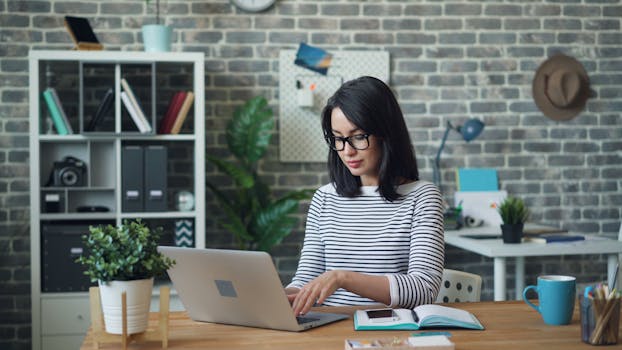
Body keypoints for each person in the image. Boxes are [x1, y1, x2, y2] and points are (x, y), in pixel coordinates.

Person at [285, 76, 445, 316]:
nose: (347, 151)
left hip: (390, 330)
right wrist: (282, 298)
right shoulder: (324, 198)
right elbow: (307, 276)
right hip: (328, 328)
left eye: (358, 137)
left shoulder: (422, 197)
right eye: (338, 139)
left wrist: (342, 278)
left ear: (385, 134)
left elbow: (423, 289)